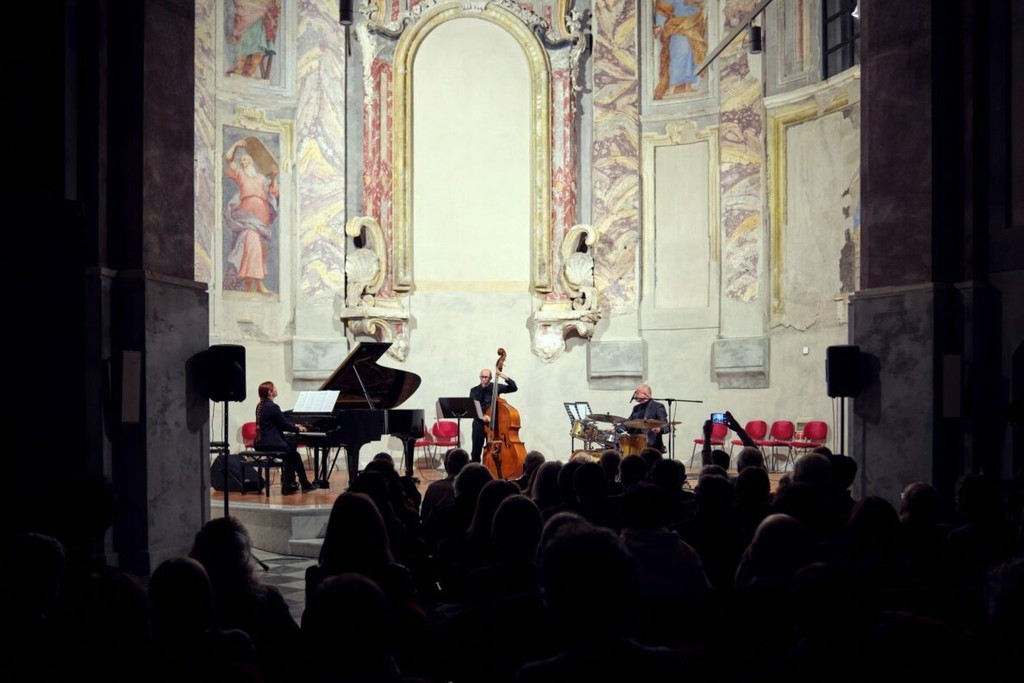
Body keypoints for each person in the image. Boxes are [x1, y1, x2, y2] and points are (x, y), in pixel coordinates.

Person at [224, 136, 279, 294]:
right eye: (242, 161)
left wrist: (273, 176)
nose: (244, 162)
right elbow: (228, 158)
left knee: (259, 248)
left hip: (262, 217)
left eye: (246, 160)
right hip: (247, 217)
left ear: (253, 162)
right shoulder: (241, 175)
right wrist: (236, 144)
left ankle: (248, 284)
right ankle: (259, 284)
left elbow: (274, 191)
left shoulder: (261, 178)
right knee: (251, 241)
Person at [255, 380, 317, 494]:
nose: (276, 389)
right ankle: (304, 484)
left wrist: (294, 426)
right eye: (274, 388)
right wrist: (298, 428)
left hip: (261, 443)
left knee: (290, 452)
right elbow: (284, 425)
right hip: (271, 444)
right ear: (270, 392)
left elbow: (281, 423)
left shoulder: (261, 406)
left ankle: (289, 484)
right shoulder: (273, 407)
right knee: (295, 455)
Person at [468, 367, 518, 463]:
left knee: (493, 449)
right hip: (479, 422)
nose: (484, 379)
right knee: (475, 451)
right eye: (482, 377)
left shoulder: (495, 387)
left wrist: (504, 376)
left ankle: (491, 468)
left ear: (490, 378)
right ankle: (475, 469)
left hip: (493, 424)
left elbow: (513, 388)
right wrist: (483, 416)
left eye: (486, 377)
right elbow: (473, 407)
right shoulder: (474, 390)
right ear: (480, 377)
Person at [626, 384, 668, 453]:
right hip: (635, 444)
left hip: (652, 445)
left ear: (645, 395)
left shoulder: (657, 406)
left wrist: (659, 429)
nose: (635, 395)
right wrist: (616, 429)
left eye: (637, 393)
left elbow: (665, 425)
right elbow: (628, 423)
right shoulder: (636, 408)